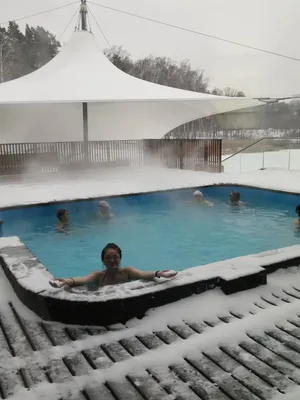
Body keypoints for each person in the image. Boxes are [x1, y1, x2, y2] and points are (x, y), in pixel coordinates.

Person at [49, 243, 178, 289]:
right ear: (102, 261)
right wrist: (67, 281)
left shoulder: (127, 271)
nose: (112, 260)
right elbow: (84, 279)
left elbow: (142, 274)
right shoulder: (98, 275)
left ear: (120, 258)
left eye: (115, 257)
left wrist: (158, 273)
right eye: (108, 258)